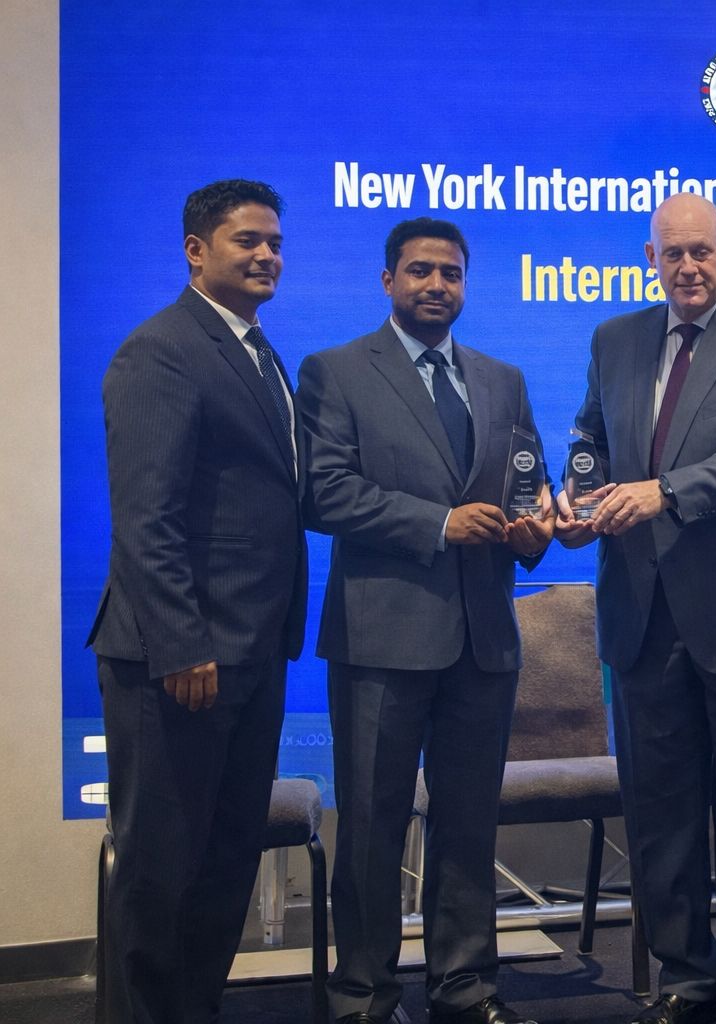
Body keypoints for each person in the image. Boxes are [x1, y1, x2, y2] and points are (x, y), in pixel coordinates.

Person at [555, 193, 716, 1024]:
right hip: (642, 611)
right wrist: (579, 491)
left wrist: (664, 491)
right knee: (659, 807)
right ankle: (684, 979)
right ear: (651, 258)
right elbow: (591, 436)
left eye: (702, 251)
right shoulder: (614, 338)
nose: (689, 267)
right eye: (673, 254)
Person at [298, 218, 553, 1024]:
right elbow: (324, 492)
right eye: (420, 271)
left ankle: (465, 987)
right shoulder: (336, 371)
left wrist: (539, 527)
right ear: (388, 281)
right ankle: (363, 995)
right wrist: (439, 524)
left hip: (484, 638)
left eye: (451, 273)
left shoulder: (502, 379)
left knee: (468, 825)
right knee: (372, 826)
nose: (436, 285)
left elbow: (528, 483)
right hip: (381, 639)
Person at [90, 179, 306, 1023]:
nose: (267, 256)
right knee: (161, 873)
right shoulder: (161, 350)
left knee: (223, 863)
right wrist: (182, 644)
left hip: (253, 651)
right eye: (247, 241)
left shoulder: (258, 351)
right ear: (195, 251)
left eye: (275, 243)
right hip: (180, 661)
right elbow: (146, 518)